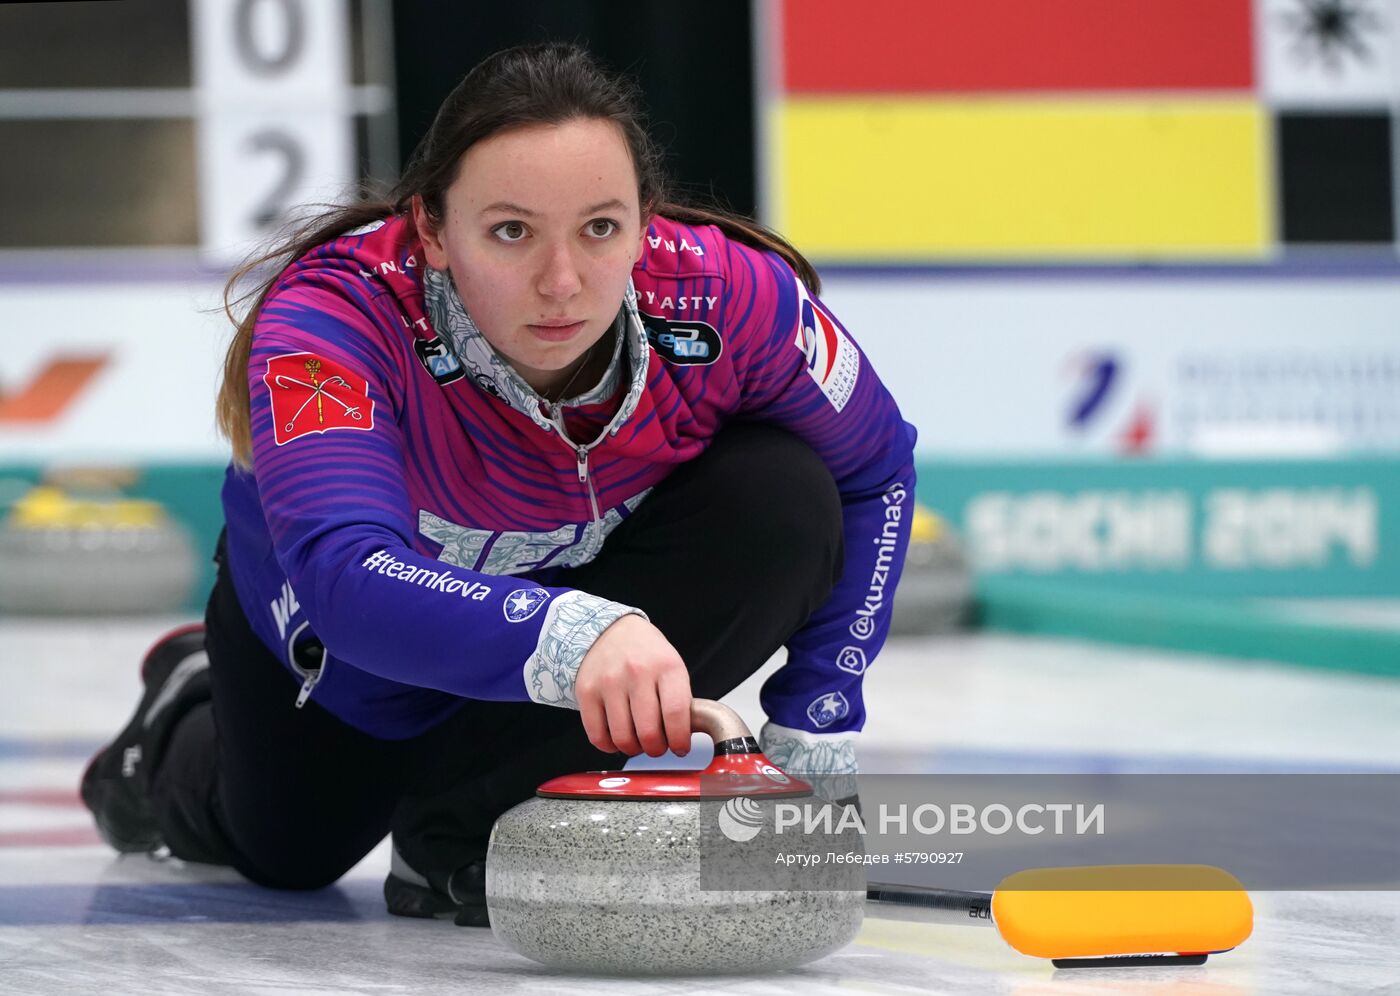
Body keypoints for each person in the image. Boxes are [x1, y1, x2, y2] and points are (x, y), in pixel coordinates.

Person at [80, 42, 916, 926]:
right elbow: (343, 576)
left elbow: (876, 469)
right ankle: (177, 717)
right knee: (289, 856)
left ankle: (466, 831)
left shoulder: (726, 295)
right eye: (511, 231)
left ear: (643, 221)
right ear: (433, 232)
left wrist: (818, 716)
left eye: (600, 228)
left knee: (784, 498)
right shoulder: (329, 321)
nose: (562, 284)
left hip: (548, 655)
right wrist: (572, 629)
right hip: (353, 661)